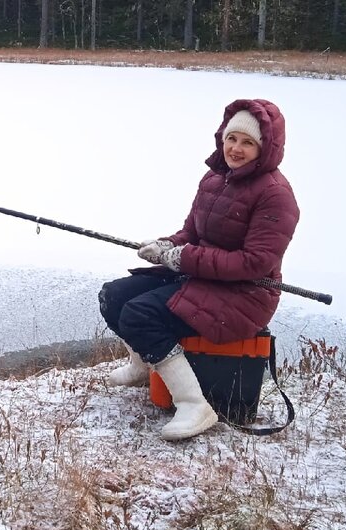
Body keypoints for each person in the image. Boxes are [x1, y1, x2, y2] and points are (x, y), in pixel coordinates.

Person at [98, 98, 300, 441]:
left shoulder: (276, 195)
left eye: (248, 142)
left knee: (140, 315)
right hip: (206, 276)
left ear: (265, 149)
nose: (236, 148)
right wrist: (166, 246)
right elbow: (192, 233)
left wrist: (185, 258)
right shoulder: (216, 177)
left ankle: (194, 404)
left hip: (246, 292)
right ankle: (141, 365)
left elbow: (254, 262)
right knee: (115, 296)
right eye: (232, 138)